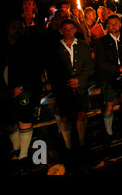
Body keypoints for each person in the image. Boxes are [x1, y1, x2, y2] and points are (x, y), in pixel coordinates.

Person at [0, 17, 43, 173]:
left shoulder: (30, 46)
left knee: (24, 119)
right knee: (7, 121)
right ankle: (17, 146)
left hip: (25, 90)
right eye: (14, 27)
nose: (17, 30)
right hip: (3, 91)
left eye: (21, 27)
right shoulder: (0, 47)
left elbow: (36, 70)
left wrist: (21, 87)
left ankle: (23, 156)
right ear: (8, 28)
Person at [46, 19, 93, 153]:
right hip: (63, 88)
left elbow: (88, 64)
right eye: (65, 29)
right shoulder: (55, 48)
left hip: (80, 86)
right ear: (61, 30)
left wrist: (80, 79)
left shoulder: (83, 45)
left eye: (71, 28)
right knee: (65, 116)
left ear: (75, 30)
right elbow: (52, 69)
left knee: (81, 114)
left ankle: (82, 141)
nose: (68, 31)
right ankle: (68, 144)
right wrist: (65, 81)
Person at [94, 15, 122, 141]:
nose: (113, 26)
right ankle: (109, 133)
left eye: (115, 23)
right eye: (110, 24)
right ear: (107, 25)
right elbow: (101, 62)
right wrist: (119, 69)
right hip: (110, 78)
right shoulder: (101, 42)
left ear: (120, 24)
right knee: (109, 105)